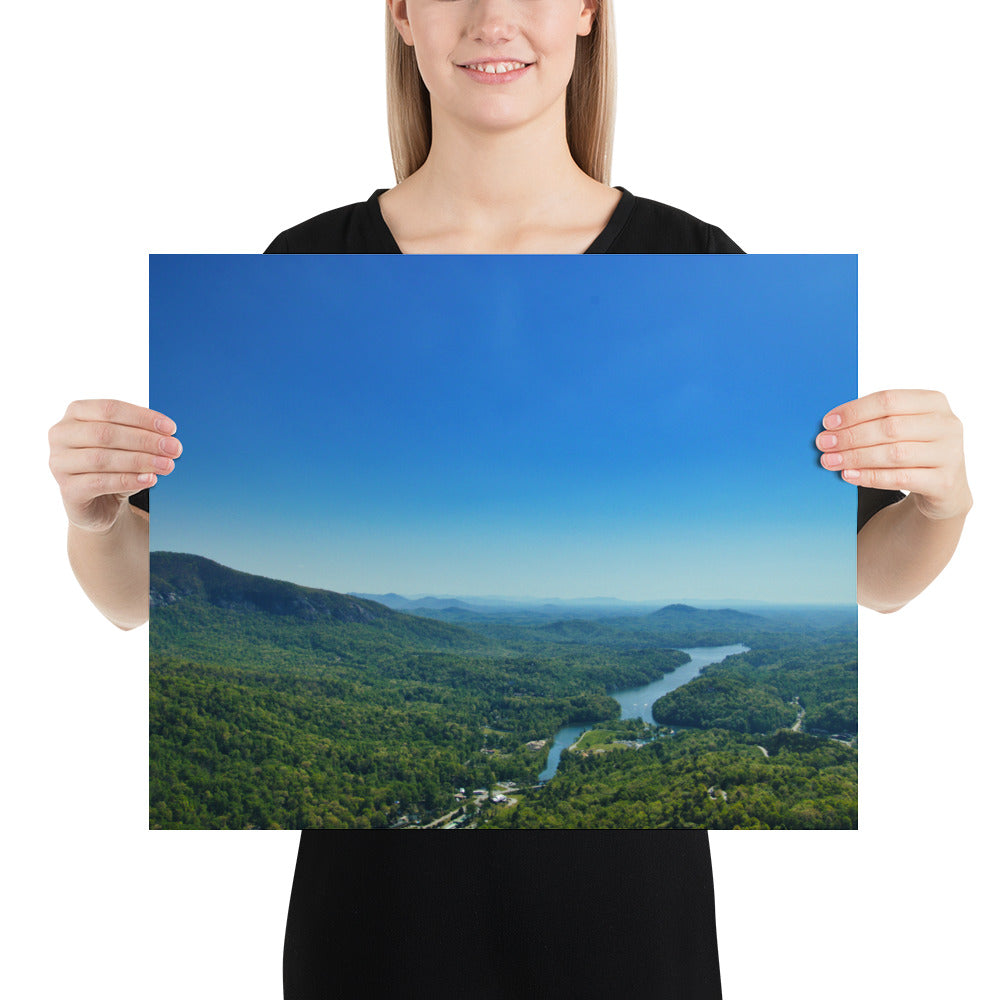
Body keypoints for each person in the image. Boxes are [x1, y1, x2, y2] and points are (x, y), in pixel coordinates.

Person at [46, 1, 971, 997]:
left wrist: (941, 503)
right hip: (372, 934)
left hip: (629, 938)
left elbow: (873, 579)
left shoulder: (696, 259)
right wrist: (93, 516)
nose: (493, 17)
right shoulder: (302, 257)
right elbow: (131, 599)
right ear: (402, 14)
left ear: (586, 13)